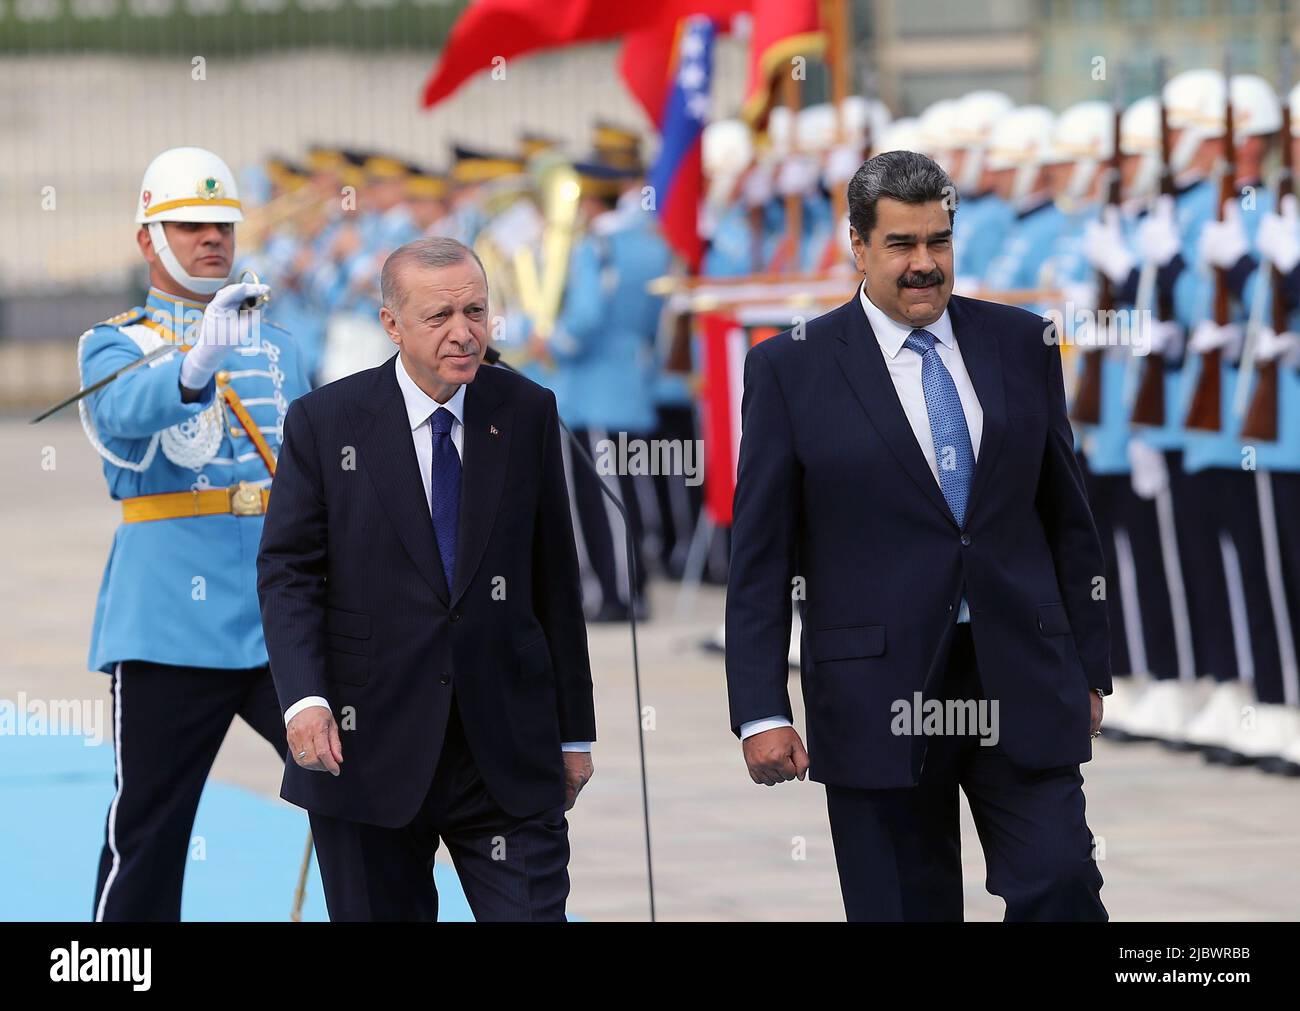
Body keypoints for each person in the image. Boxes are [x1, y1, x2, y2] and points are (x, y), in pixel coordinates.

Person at [725, 150, 1110, 922]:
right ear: (858, 246)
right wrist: (761, 708)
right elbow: (761, 558)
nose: (924, 264)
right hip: (876, 690)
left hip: (1020, 675)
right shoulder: (789, 370)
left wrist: (1091, 664)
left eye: (939, 241)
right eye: (902, 245)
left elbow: (1067, 517)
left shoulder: (1020, 342)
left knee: (1062, 884)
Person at [256, 236, 596, 921]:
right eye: (439, 316)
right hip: (366, 746)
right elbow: (288, 572)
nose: (464, 332)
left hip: (503, 750)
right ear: (391, 324)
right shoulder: (324, 423)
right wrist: (304, 701)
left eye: (475, 311)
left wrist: (573, 732)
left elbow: (553, 577)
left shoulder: (525, 411)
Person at [81, 146, 310, 920]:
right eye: (188, 226)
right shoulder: (116, 341)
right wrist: (195, 361)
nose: (211, 238)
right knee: (149, 827)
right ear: (149, 239)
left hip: (279, 613)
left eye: (221, 224)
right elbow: (121, 418)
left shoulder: (280, 347)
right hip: (171, 621)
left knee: (356, 788)